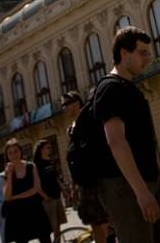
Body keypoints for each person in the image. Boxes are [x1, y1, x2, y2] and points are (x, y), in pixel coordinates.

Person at [93, 27, 160, 243]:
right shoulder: (109, 89)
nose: (148, 58)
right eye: (142, 52)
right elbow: (116, 141)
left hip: (151, 180)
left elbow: (146, 143)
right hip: (124, 186)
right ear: (124, 53)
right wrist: (141, 192)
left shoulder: (132, 89)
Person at [62, 91, 112, 243]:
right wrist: (73, 185)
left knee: (104, 223)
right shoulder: (70, 129)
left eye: (66, 104)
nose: (64, 108)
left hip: (97, 180)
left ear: (77, 102)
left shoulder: (90, 120)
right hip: (84, 184)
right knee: (96, 223)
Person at [2, 138, 52, 243]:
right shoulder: (5, 173)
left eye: (16, 151)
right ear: (7, 156)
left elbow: (37, 188)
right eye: (10, 153)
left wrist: (16, 197)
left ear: (20, 151)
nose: (13, 154)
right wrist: (10, 175)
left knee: (45, 239)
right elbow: (6, 197)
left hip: (35, 209)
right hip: (17, 214)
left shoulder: (31, 166)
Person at [33, 140, 66, 243]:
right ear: (41, 149)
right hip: (46, 200)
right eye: (48, 147)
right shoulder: (36, 164)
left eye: (50, 147)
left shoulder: (50, 161)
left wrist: (64, 190)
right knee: (50, 226)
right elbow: (35, 184)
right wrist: (45, 197)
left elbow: (55, 178)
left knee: (58, 225)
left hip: (57, 197)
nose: (50, 149)